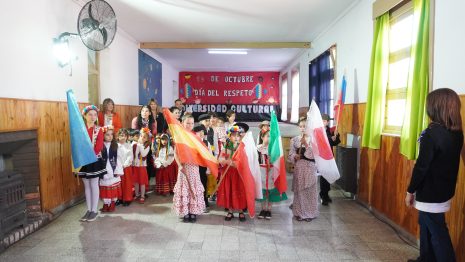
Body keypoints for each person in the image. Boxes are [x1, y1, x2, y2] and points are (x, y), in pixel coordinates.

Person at [405, 88, 463, 262]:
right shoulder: (457, 133)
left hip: (430, 193)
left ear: (435, 108)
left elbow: (421, 167)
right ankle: (426, 258)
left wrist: (410, 191)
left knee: (438, 232)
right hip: (445, 191)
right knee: (425, 224)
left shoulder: (431, 134)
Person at [172, 114, 205, 223]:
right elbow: (176, 154)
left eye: (192, 123)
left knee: (193, 186)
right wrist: (180, 165)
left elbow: (201, 152)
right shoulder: (179, 137)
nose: (190, 125)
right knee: (185, 187)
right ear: (182, 123)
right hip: (183, 167)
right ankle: (185, 211)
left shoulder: (195, 137)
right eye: (187, 123)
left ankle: (193, 211)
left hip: (194, 167)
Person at [77, 105, 106, 222]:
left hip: (94, 160)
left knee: (94, 184)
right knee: (87, 186)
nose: (93, 117)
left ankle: (94, 210)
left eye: (95, 114)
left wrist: (89, 156)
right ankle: (88, 210)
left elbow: (98, 146)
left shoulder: (99, 130)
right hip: (83, 161)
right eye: (90, 114)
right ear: (84, 116)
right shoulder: (80, 130)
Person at [288, 117, 318, 222]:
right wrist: (294, 156)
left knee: (309, 191)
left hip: (310, 168)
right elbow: (290, 154)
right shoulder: (294, 140)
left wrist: (305, 143)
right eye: (300, 126)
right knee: (299, 191)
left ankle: (310, 213)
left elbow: (314, 155)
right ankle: (299, 213)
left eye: (304, 126)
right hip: (299, 168)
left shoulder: (314, 140)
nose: (302, 128)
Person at [217, 125, 248, 222]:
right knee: (229, 191)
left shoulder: (242, 147)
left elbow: (245, 161)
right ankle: (230, 211)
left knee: (239, 191)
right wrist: (225, 161)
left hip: (239, 174)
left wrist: (236, 163)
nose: (236, 137)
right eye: (234, 135)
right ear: (230, 136)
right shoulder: (225, 147)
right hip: (228, 174)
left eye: (238, 135)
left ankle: (241, 210)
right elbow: (220, 159)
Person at [257, 130, 288, 219]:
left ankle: (269, 210)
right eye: (267, 136)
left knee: (271, 190)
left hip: (271, 171)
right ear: (262, 137)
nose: (269, 138)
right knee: (262, 190)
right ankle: (263, 209)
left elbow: (278, 161)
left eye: (271, 136)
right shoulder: (257, 148)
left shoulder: (274, 149)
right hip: (261, 171)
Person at [99, 125, 124, 212]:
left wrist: (118, 171)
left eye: (111, 134)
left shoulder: (116, 146)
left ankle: (112, 203)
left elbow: (119, 160)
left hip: (113, 170)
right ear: (102, 136)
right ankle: (106, 203)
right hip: (104, 170)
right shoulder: (100, 146)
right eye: (107, 135)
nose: (110, 137)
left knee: (113, 189)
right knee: (105, 189)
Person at [320, 114, 340, 206]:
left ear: (327, 122)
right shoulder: (318, 130)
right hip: (321, 156)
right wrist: (329, 139)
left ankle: (326, 194)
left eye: (324, 121)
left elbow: (334, 143)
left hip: (329, 156)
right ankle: (323, 195)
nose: (323, 122)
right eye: (322, 120)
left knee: (328, 175)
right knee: (323, 176)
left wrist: (336, 137)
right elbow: (321, 141)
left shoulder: (331, 130)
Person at [193, 124, 210, 212]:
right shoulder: (192, 143)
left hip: (203, 167)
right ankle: (195, 203)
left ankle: (205, 202)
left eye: (201, 132)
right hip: (194, 167)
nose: (199, 134)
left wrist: (209, 169)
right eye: (197, 132)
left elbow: (210, 156)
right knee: (195, 185)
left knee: (203, 184)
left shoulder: (207, 143)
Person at [132, 128, 151, 204]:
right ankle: (137, 194)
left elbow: (143, 154)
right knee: (136, 182)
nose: (142, 138)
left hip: (142, 167)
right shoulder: (136, 144)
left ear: (147, 139)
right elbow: (134, 155)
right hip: (135, 166)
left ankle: (142, 196)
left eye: (144, 137)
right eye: (141, 136)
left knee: (142, 182)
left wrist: (139, 145)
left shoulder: (147, 146)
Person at [116, 128, 134, 206]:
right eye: (121, 135)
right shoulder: (116, 145)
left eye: (124, 136)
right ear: (118, 137)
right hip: (118, 167)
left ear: (127, 137)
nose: (123, 137)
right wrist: (119, 165)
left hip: (126, 168)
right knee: (119, 183)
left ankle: (127, 199)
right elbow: (115, 157)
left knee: (127, 183)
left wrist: (125, 164)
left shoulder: (128, 145)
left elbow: (130, 157)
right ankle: (119, 198)